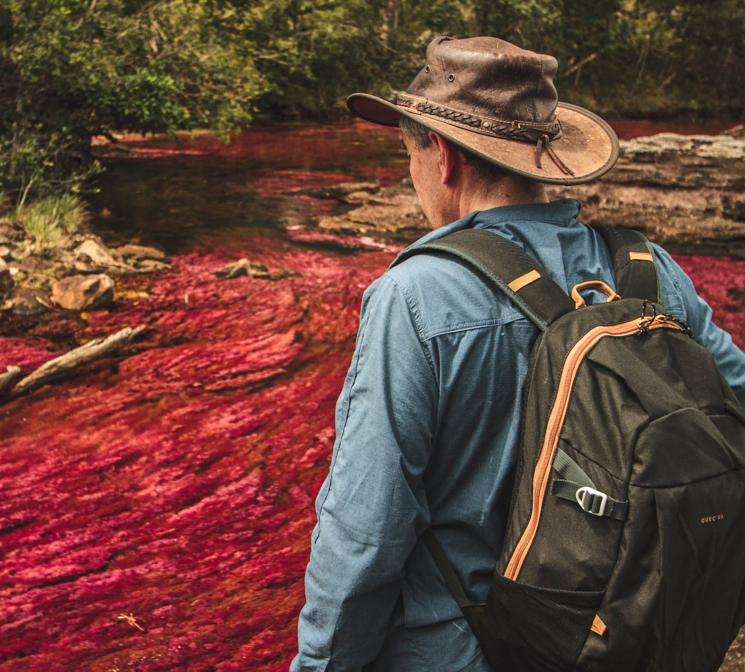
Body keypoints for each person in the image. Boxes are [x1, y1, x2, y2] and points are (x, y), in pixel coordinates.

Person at [291, 36, 745, 672]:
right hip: (624, 636)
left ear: (443, 156)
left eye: (409, 154)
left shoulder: (414, 296)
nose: (411, 173)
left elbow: (366, 530)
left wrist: (319, 665)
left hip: (460, 650)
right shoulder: (650, 270)